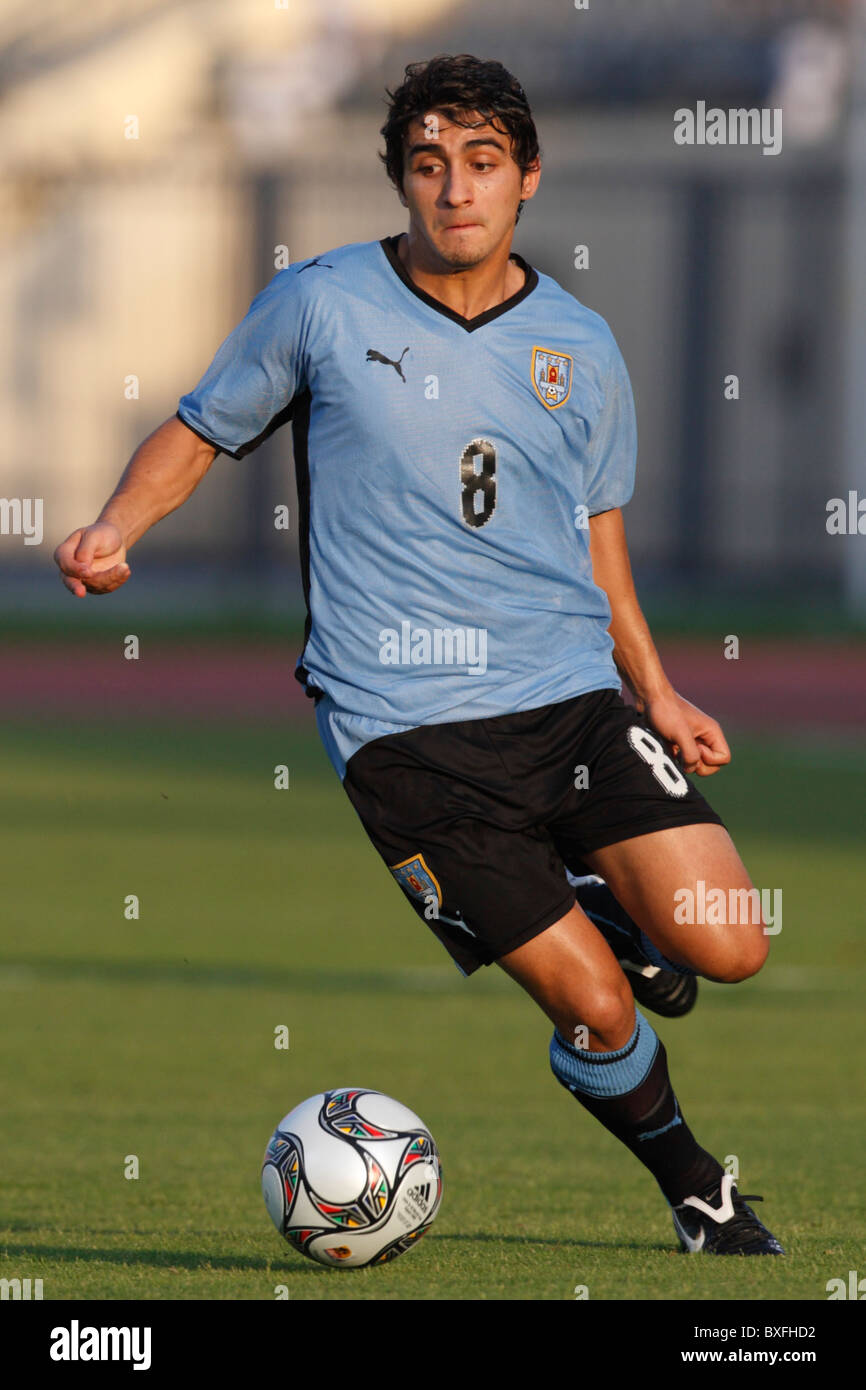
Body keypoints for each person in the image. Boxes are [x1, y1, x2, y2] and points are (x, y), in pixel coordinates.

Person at [54, 53, 783, 1256]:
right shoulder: (318, 304)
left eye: (481, 165)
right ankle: (697, 1190)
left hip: (572, 704)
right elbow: (196, 431)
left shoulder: (580, 345)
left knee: (729, 939)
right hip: (405, 734)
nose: (455, 190)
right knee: (597, 1009)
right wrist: (113, 528)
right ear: (399, 181)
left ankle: (601, 896)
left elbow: (598, 541)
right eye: (429, 166)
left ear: (527, 178)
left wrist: (654, 687)